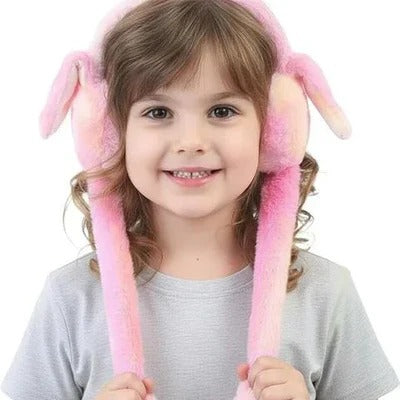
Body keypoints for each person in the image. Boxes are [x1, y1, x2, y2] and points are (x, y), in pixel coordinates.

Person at [1, 0, 399, 399]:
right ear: (110, 134)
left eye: (222, 111)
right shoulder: (69, 300)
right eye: (158, 112)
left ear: (274, 130)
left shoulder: (326, 294)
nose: (191, 142)